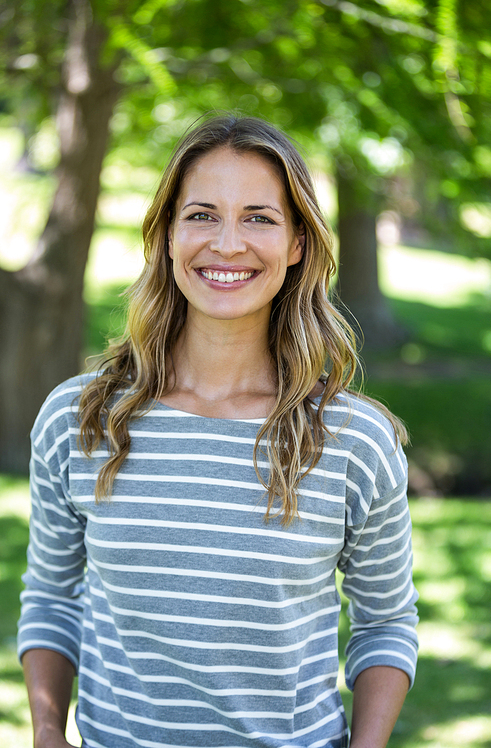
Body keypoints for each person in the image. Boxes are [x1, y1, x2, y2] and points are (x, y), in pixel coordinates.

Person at [18, 113, 418, 748]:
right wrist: (46, 733)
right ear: (167, 236)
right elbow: (51, 594)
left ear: (298, 244)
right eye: (202, 214)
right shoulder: (80, 420)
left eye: (259, 217)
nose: (227, 243)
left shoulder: (352, 441)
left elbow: (386, 622)